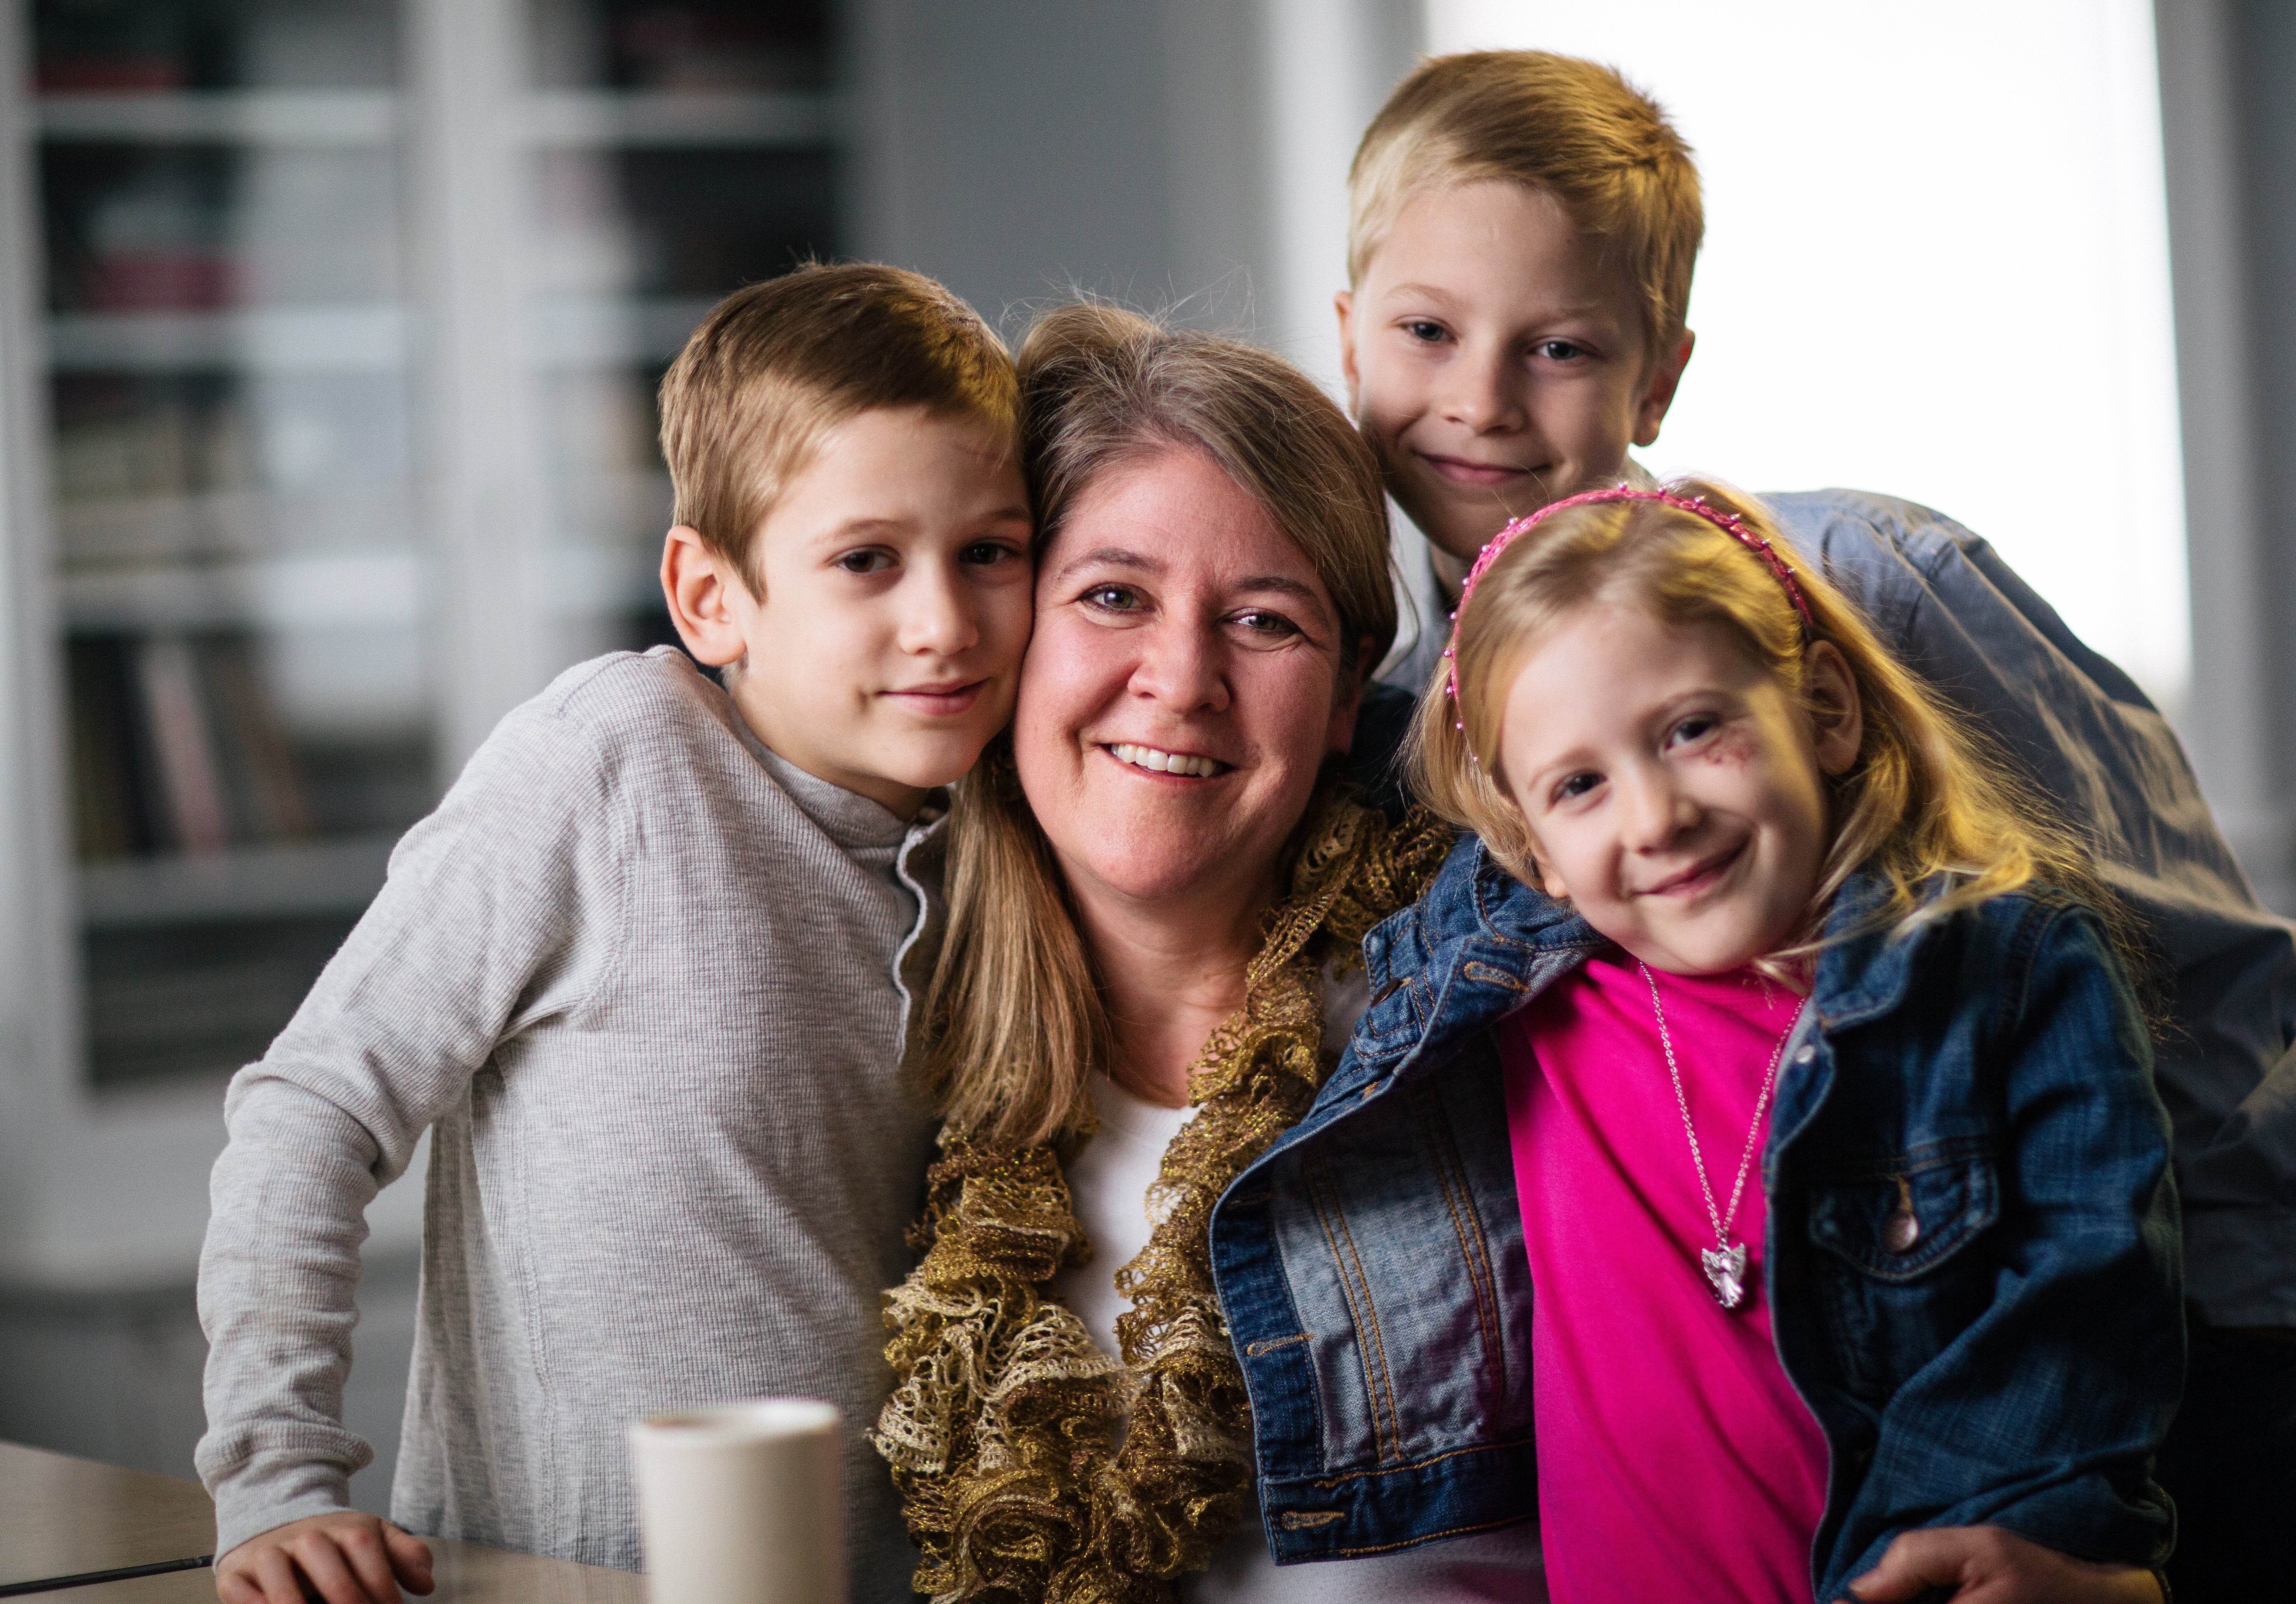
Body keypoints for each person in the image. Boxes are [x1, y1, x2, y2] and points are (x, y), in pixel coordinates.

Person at [1323, 50, 2296, 1599]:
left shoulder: (1867, 589)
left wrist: (2223, 1367)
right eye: (1428, 332)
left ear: (1659, 378)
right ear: (1349, 332)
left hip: (2148, 1366)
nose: (1480, 399)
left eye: (1558, 347)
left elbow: (2188, 965)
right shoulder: (1397, 722)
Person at [195, 263, 1033, 1604]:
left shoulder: (1009, 851)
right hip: (553, 1582)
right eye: (866, 560)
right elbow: (311, 1111)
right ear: (710, 597)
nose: (944, 622)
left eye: (990, 552)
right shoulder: (611, 761)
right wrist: (275, 1483)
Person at [871, 303, 1541, 1602]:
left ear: (1347, 692)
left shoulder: (1492, 1001)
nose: (1181, 679)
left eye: (1265, 622)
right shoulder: (890, 1029)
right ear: (1006, 634)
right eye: (1113, 596)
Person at [1429, 480, 2182, 1598]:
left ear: (1825, 708)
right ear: (1533, 849)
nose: (1656, 817)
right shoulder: (1527, 998)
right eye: (1579, 785)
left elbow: (2085, 1306)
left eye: (1694, 730)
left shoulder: (2000, 976)